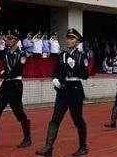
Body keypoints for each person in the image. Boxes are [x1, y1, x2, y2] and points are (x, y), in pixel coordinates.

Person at [36, 28, 89, 157]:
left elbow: (85, 75)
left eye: (72, 39)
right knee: (55, 119)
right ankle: (48, 147)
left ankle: (83, 146)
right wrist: (55, 79)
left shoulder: (82, 55)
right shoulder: (62, 55)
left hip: (75, 89)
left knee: (77, 120)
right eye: (68, 38)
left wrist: (75, 65)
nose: (69, 41)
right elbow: (56, 71)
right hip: (63, 90)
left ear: (77, 41)